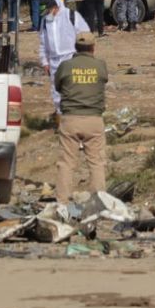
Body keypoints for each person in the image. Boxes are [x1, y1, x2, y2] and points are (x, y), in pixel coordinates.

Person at [54, 32, 108, 202]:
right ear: (93, 47)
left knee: (66, 163)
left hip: (70, 119)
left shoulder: (66, 66)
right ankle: (99, 201)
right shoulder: (100, 65)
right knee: (97, 163)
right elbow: (104, 80)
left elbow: (58, 86)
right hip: (94, 119)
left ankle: (62, 202)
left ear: (76, 47)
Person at [39, 0, 90, 115]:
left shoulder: (71, 16)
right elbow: (43, 42)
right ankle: (61, 116)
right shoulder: (45, 21)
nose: (48, 14)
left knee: (73, 88)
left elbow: (85, 36)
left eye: (49, 10)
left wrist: (83, 56)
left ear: (56, 7)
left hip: (71, 57)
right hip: (53, 61)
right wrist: (44, 62)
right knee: (56, 91)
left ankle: (76, 114)